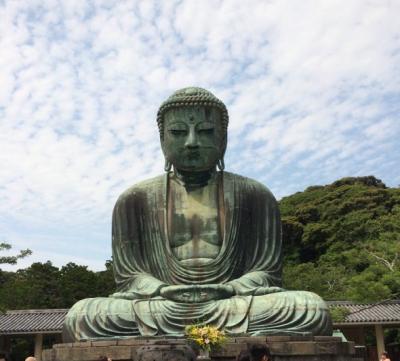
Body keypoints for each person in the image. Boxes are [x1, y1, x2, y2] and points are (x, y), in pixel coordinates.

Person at [63, 87, 332, 341]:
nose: (191, 142)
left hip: (232, 302)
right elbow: (130, 276)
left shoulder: (254, 194)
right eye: (178, 132)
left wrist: (230, 288)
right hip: (161, 304)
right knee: (84, 315)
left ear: (223, 138)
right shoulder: (135, 199)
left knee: (310, 309)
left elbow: (266, 271)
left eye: (205, 131)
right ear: (162, 139)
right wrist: (160, 289)